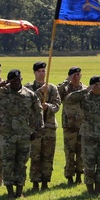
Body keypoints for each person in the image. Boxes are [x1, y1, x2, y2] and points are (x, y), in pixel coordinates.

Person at [0, 69, 43, 198]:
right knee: (7, 162)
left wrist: (36, 130)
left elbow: (38, 112)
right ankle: (9, 191)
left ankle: (19, 192)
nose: (16, 82)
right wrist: (1, 84)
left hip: (24, 135)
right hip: (6, 135)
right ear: (9, 81)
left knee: (21, 163)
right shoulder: (1, 92)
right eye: (13, 80)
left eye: (18, 80)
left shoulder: (29, 94)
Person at [65, 76, 100, 196]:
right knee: (88, 163)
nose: (99, 86)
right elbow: (69, 99)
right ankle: (89, 189)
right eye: (96, 85)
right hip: (88, 136)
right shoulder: (84, 98)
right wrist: (86, 90)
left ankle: (99, 188)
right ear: (91, 86)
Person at [27, 61, 61, 191]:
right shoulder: (29, 87)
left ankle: (46, 182)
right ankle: (35, 182)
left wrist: (49, 107)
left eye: (44, 71)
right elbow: (28, 101)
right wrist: (40, 91)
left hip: (49, 126)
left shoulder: (52, 88)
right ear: (35, 72)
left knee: (48, 156)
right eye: (39, 71)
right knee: (35, 155)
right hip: (35, 127)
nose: (42, 73)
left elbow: (57, 104)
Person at [59, 67, 86, 185]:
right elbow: (56, 93)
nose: (77, 77)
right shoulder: (65, 88)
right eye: (74, 75)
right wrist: (67, 80)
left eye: (79, 74)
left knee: (81, 153)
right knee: (69, 152)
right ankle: (69, 176)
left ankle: (80, 175)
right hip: (69, 126)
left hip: (82, 126)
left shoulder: (85, 89)